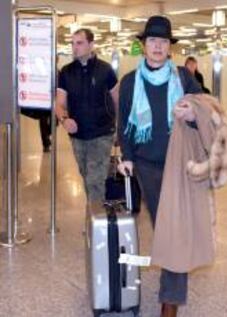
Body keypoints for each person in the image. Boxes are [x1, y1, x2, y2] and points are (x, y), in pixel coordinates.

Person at [116, 16, 202, 317]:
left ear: (170, 48)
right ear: (143, 46)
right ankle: (170, 297)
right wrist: (125, 155)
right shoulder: (129, 82)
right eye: (152, 41)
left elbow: (204, 107)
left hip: (180, 163)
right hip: (147, 166)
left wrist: (194, 113)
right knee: (166, 228)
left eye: (163, 41)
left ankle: (170, 301)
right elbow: (125, 122)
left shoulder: (183, 78)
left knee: (174, 231)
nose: (157, 46)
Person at [56, 28, 119, 203]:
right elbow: (59, 103)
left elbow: (118, 100)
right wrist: (64, 119)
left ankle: (96, 225)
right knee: (86, 176)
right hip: (78, 136)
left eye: (79, 43)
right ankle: (96, 217)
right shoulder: (66, 72)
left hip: (102, 133)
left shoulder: (105, 70)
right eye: (72, 43)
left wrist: (119, 128)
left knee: (95, 181)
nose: (74, 47)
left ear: (91, 45)